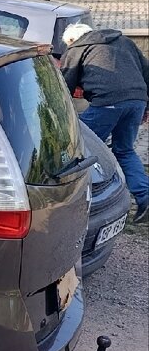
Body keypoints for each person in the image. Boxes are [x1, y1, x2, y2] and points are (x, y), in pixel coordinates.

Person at [61, 23, 149, 223]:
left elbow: (65, 84)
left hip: (107, 102)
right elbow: (147, 72)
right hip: (137, 101)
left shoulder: (78, 48)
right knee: (125, 150)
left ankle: (88, 197)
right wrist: (146, 106)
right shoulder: (124, 42)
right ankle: (145, 196)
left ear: (73, 40)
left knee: (79, 146)